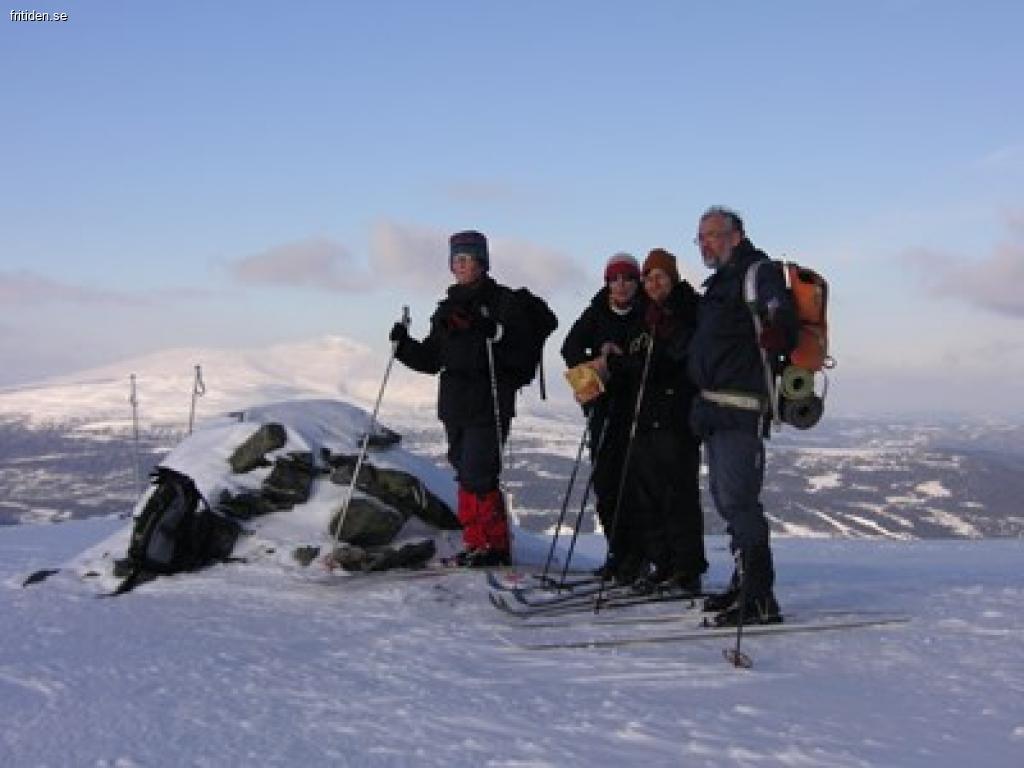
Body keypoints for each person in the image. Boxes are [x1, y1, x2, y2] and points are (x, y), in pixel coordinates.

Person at [389, 230, 547, 567]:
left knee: (479, 473)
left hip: (489, 400)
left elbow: (519, 351)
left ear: (482, 263)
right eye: (456, 260)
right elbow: (432, 359)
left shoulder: (502, 303)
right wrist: (403, 346)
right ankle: (476, 542)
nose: (460, 265)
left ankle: (494, 546)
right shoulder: (447, 309)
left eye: (467, 259)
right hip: (455, 404)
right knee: (465, 471)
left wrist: (494, 332)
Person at [688, 206, 798, 626]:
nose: (705, 244)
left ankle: (759, 597)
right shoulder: (721, 283)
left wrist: (777, 325)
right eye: (700, 237)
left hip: (741, 407)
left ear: (735, 236)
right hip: (716, 408)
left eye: (713, 235)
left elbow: (780, 314)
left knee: (739, 501)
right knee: (726, 500)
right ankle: (743, 584)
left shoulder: (757, 272)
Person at [602, 248, 707, 591]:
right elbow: (641, 359)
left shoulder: (687, 310)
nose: (653, 283)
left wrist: (619, 364)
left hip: (676, 417)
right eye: (648, 277)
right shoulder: (646, 315)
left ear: (672, 278)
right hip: (646, 416)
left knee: (677, 494)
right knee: (648, 495)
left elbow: (670, 360)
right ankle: (662, 564)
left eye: (659, 276)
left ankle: (686, 569)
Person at [560, 252, 649, 583]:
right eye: (615, 279)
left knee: (634, 486)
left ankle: (638, 558)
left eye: (628, 278)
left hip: (637, 411)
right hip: (602, 408)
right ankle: (618, 554)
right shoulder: (596, 311)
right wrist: (597, 360)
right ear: (607, 283)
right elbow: (570, 348)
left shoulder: (646, 313)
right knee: (606, 485)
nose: (621, 285)